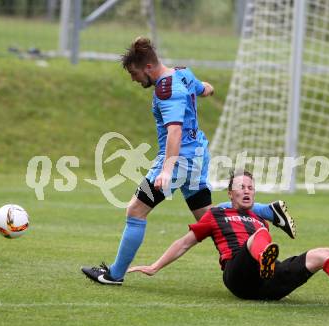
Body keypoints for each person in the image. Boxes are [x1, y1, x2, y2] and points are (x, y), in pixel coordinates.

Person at [81, 37, 295, 285]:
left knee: (136, 211)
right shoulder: (183, 74)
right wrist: (207, 89)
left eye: (134, 73)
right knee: (208, 217)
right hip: (197, 155)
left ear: (148, 67)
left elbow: (175, 131)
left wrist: (166, 171)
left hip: (179, 160)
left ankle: (114, 275)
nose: (134, 79)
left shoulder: (166, 90)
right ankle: (267, 213)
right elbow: (205, 88)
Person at [127, 171, 329, 310]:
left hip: (268, 284)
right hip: (238, 276)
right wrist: (154, 266)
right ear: (231, 193)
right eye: (241, 187)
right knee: (259, 238)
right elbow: (184, 242)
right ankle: (265, 263)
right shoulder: (216, 215)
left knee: (323, 253)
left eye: (251, 187)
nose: (247, 191)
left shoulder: (260, 219)